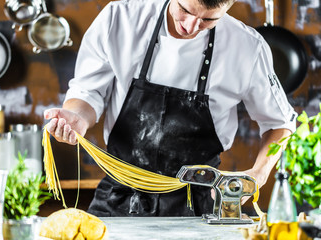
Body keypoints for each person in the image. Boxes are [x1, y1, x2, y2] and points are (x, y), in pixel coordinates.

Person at [44, 0, 297, 217]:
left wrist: (259, 173)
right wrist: (76, 116)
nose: (190, 27)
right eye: (185, 9)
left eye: (208, 20)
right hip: (119, 197)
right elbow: (88, 93)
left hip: (198, 205)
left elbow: (280, 123)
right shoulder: (120, 19)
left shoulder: (247, 47)